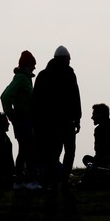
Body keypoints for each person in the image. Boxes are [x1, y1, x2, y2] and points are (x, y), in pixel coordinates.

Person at [32, 45, 82, 189]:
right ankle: (64, 180)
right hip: (66, 121)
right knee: (69, 151)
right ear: (66, 59)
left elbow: (36, 101)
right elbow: (75, 97)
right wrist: (77, 118)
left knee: (53, 153)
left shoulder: (43, 75)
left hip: (49, 122)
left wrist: (37, 122)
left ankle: (52, 181)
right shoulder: (69, 74)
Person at [0, 50, 40, 190]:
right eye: (33, 65)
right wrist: (11, 115)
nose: (35, 67)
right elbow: (5, 96)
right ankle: (29, 181)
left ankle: (20, 181)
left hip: (25, 119)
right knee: (28, 150)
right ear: (27, 65)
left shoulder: (23, 78)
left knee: (24, 150)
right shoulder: (22, 78)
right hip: (23, 119)